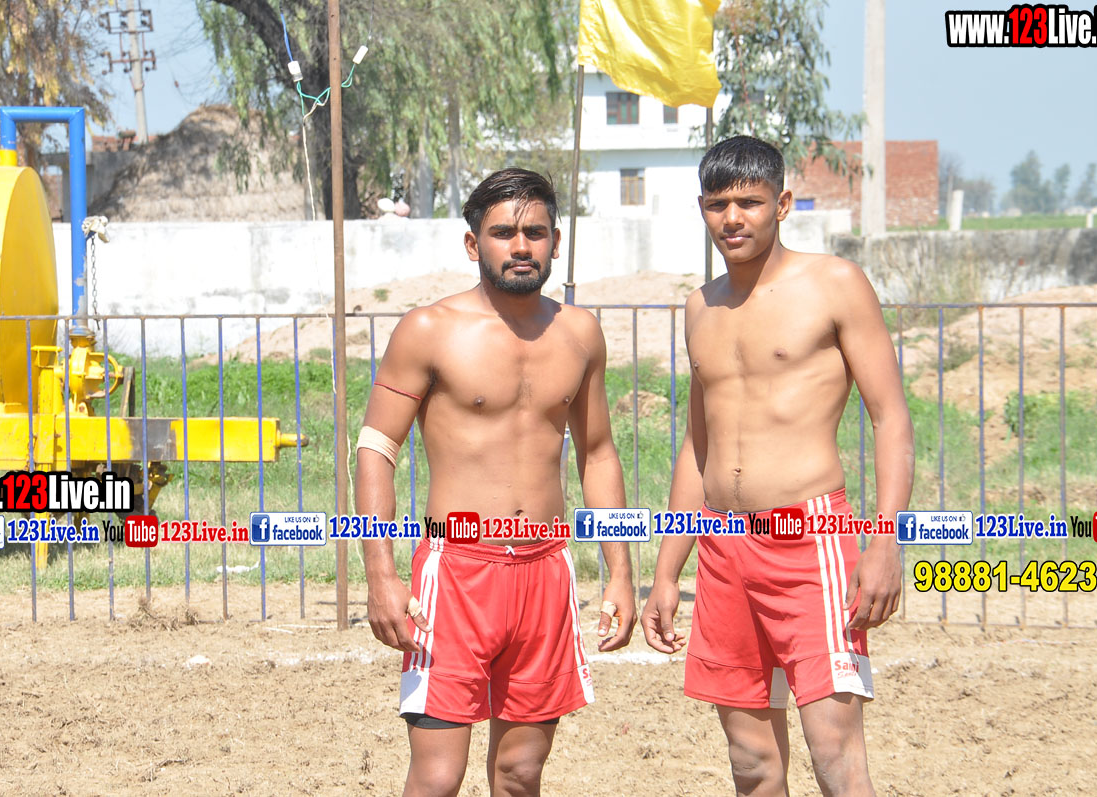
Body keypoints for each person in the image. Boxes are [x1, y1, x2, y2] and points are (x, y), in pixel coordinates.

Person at [641, 136, 914, 796]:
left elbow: (891, 418)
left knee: (834, 751)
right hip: (722, 547)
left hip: (809, 540)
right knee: (751, 759)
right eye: (718, 205)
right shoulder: (699, 306)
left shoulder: (834, 284)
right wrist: (667, 571)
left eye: (750, 202)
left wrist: (884, 540)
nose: (732, 218)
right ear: (702, 210)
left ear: (783, 204)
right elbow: (697, 446)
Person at [357, 168, 636, 797]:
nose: (520, 246)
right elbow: (376, 448)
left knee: (520, 772)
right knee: (438, 776)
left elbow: (597, 453)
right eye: (504, 232)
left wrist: (619, 570)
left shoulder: (580, 333)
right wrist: (381, 573)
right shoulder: (429, 329)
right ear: (472, 243)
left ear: (555, 242)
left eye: (534, 232)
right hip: (456, 572)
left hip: (545, 569)